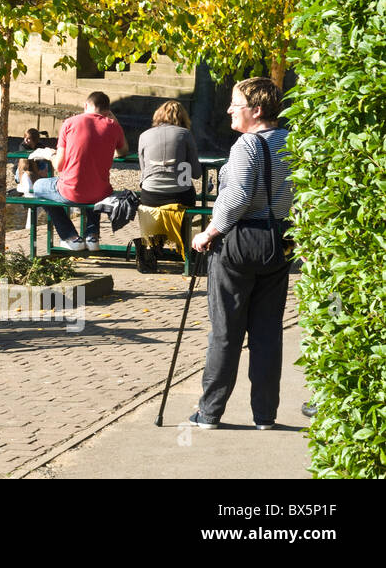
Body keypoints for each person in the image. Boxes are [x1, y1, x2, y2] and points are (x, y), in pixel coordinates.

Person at [187, 77, 291, 431]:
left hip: (239, 242)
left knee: (226, 331)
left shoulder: (247, 145)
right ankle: (264, 416)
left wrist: (209, 232)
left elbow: (239, 196)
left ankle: (210, 412)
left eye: (236, 104)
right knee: (266, 333)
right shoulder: (291, 143)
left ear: (257, 110)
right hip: (278, 242)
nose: (230, 109)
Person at [30, 91, 129, 252]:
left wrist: (50, 154)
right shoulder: (113, 126)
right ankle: (92, 236)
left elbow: (59, 166)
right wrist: (113, 120)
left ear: (86, 105)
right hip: (101, 193)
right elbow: (123, 151)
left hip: (71, 192)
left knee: (39, 187)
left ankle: (70, 236)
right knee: (94, 183)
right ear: (108, 110)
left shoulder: (69, 123)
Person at [134, 100, 201, 271]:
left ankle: (152, 249)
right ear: (183, 118)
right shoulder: (185, 134)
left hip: (150, 195)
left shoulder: (144, 135)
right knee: (189, 195)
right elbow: (196, 173)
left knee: (152, 200)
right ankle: (186, 248)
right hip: (179, 195)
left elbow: (144, 171)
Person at [14, 127, 49, 195]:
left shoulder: (40, 146)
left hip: (36, 167)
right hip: (23, 169)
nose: (26, 140)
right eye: (25, 137)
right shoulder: (23, 146)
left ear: (34, 139)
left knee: (45, 162)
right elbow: (27, 161)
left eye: (29, 138)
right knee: (27, 160)